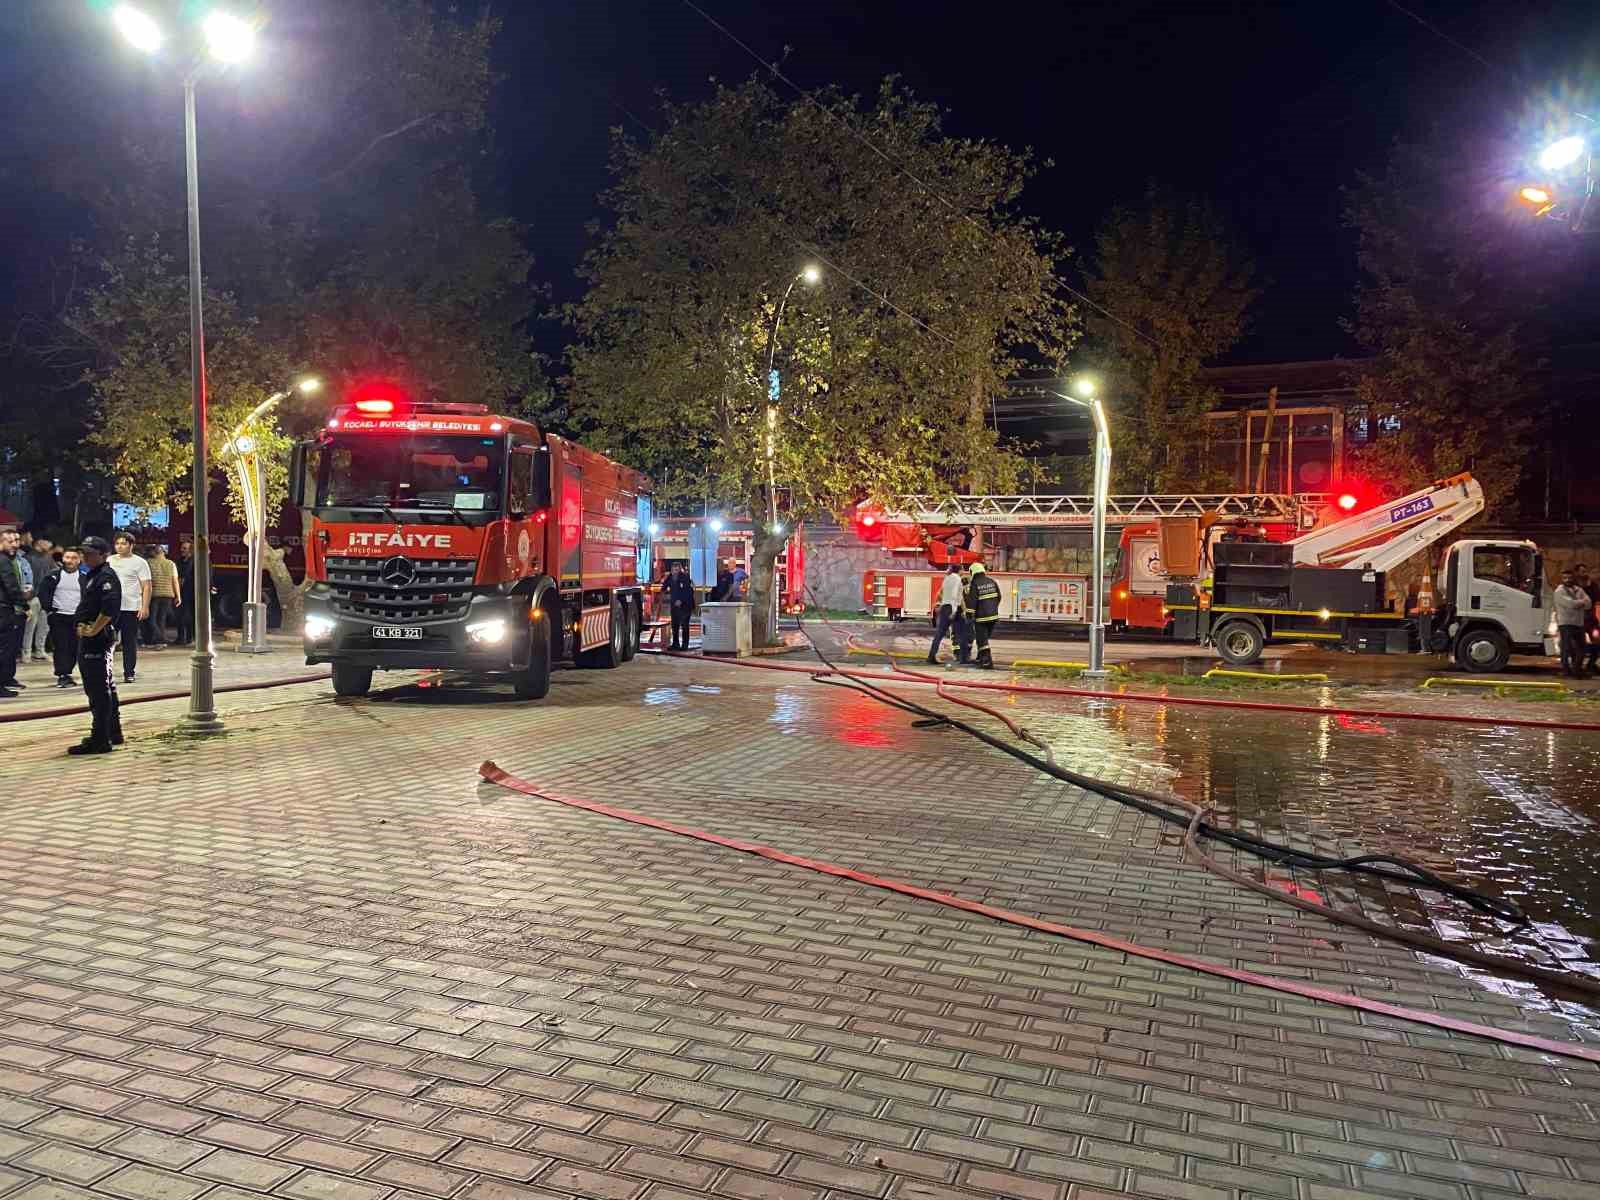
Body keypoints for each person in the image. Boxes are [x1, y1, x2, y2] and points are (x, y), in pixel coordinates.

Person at [71, 537, 124, 754]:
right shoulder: (92, 575)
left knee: (98, 689)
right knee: (105, 686)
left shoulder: (105, 576)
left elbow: (109, 608)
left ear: (103, 554)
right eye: (84, 552)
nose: (85, 557)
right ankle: (112, 732)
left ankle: (100, 738)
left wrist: (93, 629)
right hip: (95, 637)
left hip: (97, 639)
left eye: (90, 553)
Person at [38, 547, 84, 687]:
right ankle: (62, 675)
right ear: (63, 559)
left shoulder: (84, 577)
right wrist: (49, 610)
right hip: (58, 617)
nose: (70, 561)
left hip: (77, 618)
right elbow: (43, 592)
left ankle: (68, 672)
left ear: (79, 560)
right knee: (61, 646)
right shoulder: (53, 575)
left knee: (74, 647)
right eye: (67, 557)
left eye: (73, 558)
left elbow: (89, 597)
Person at [108, 534, 151, 682]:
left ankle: (129, 672)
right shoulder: (110, 560)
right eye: (117, 543)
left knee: (129, 641)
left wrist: (144, 607)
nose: (120, 546)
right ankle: (106, 671)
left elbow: (147, 586)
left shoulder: (140, 562)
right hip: (112, 607)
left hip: (131, 606)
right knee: (108, 641)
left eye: (123, 543)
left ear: (131, 545)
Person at [0, 529, 28, 697]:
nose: (15, 544)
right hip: (3, 610)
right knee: (4, 649)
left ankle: (5, 681)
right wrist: (24, 605)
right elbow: (11, 586)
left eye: (17, 541)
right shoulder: (3, 561)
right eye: (10, 541)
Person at [22, 535, 55, 663]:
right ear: (39, 542)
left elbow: (54, 572)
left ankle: (40, 650)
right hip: (32, 597)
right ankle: (27, 652)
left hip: (46, 596)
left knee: (44, 625)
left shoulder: (48, 557)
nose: (49, 544)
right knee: (30, 626)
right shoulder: (28, 558)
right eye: (47, 541)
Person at [964, 561, 1002, 670]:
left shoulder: (975, 584)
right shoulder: (992, 581)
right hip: (993, 617)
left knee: (982, 640)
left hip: (981, 618)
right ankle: (980, 659)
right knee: (984, 638)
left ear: (973, 572)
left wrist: (969, 615)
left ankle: (987, 662)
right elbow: (999, 597)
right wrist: (993, 608)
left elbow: (972, 602)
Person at [1553, 568, 1590, 679]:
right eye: (1565, 578)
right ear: (1562, 579)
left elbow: (1589, 604)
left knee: (1581, 648)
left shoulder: (1579, 589)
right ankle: (1565, 670)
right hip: (1566, 623)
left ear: (1573, 578)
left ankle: (1576, 669)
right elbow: (1570, 604)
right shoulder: (1559, 591)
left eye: (1570, 577)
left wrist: (1579, 603)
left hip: (1579, 623)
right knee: (1566, 648)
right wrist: (1581, 602)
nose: (1567, 580)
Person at [927, 563, 966, 664]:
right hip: (953, 608)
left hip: (944, 608)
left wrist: (938, 604)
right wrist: (960, 610)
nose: (964, 572)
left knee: (939, 634)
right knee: (961, 633)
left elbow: (940, 593)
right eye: (963, 570)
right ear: (959, 570)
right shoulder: (958, 579)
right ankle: (963, 659)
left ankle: (931, 656)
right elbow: (957, 597)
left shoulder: (947, 578)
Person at [145, 544, 180, 648]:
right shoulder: (171, 564)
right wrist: (178, 596)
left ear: (154, 552)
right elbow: (175, 580)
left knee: (151, 619)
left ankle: (160, 638)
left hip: (154, 594)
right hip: (168, 595)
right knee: (161, 619)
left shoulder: (148, 563)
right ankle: (160, 641)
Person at [660, 562, 696, 651]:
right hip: (674, 605)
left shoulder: (685, 577)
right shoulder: (670, 577)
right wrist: (664, 594)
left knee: (684, 625)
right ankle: (675, 644)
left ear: (680, 569)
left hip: (685, 605)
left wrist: (681, 600)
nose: (675, 572)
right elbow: (663, 588)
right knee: (675, 625)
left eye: (676, 569)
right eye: (673, 570)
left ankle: (685, 645)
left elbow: (689, 592)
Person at [174, 539, 195, 645]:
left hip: (189, 592)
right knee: (179, 615)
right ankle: (180, 637)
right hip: (179, 591)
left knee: (187, 616)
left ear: (190, 550)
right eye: (182, 548)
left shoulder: (194, 561)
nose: (182, 550)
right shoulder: (179, 561)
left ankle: (189, 637)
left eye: (184, 548)